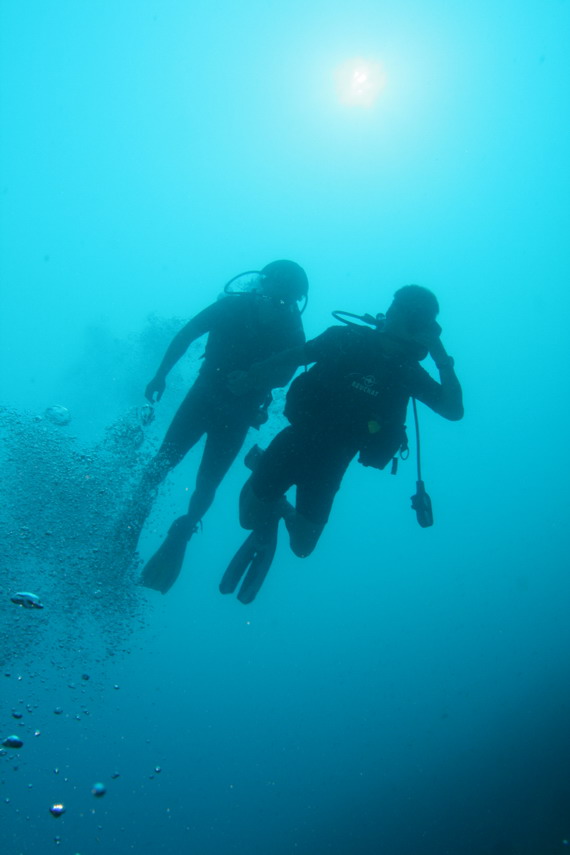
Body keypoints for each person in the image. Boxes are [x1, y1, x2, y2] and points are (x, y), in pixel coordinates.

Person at [220, 284, 464, 604]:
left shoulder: (408, 372)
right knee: (247, 519)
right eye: (394, 309)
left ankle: (277, 504)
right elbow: (296, 355)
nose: (390, 315)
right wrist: (250, 377)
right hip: (295, 440)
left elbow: (453, 411)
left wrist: (440, 356)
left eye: (402, 313)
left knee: (303, 548)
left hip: (332, 463)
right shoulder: (346, 339)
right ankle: (264, 496)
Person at [117, 260, 308, 593]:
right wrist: (160, 373)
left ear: (294, 300)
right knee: (161, 464)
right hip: (205, 400)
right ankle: (132, 517)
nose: (276, 305)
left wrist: (252, 380)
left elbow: (285, 375)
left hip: (235, 414)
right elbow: (187, 334)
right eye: (272, 294)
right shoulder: (233, 305)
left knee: (206, 484)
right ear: (262, 285)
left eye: (284, 300)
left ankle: (184, 530)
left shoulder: (292, 329)